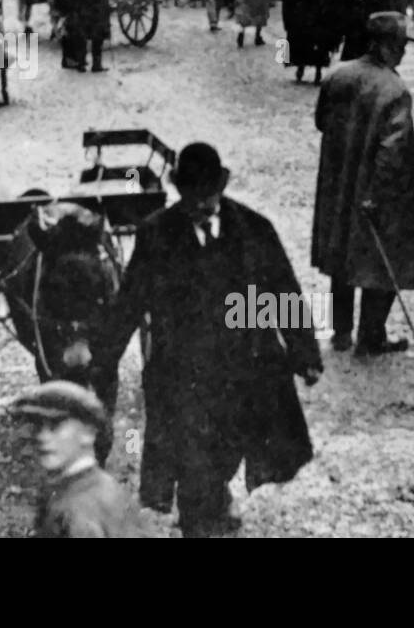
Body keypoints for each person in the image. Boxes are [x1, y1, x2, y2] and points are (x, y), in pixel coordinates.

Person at [93, 143, 322, 537]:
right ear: (181, 193)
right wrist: (104, 355)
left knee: (232, 448)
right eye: (192, 197)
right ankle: (201, 520)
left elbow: (284, 293)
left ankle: (215, 497)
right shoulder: (157, 235)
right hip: (185, 374)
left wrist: (305, 353)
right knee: (194, 460)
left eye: (208, 196)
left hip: (245, 369)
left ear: (219, 187)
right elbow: (130, 300)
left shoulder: (254, 230)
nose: (201, 205)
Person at [312, 12, 414, 354]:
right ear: (386, 47)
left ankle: (342, 332)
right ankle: (371, 335)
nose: (404, 52)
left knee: (341, 254)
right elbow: (393, 152)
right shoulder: (395, 90)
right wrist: (376, 195)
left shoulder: (338, 76)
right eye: (400, 45)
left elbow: (321, 122)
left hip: (339, 185)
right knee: (386, 258)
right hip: (377, 191)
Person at [11, 381, 143, 538]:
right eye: (38, 426)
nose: (43, 437)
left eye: (55, 426)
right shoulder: (104, 487)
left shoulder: (76, 509)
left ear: (88, 433)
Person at [283, 0, 339, 84]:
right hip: (305, 13)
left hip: (321, 13)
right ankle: (301, 67)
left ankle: (318, 71)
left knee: (320, 44)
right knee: (304, 42)